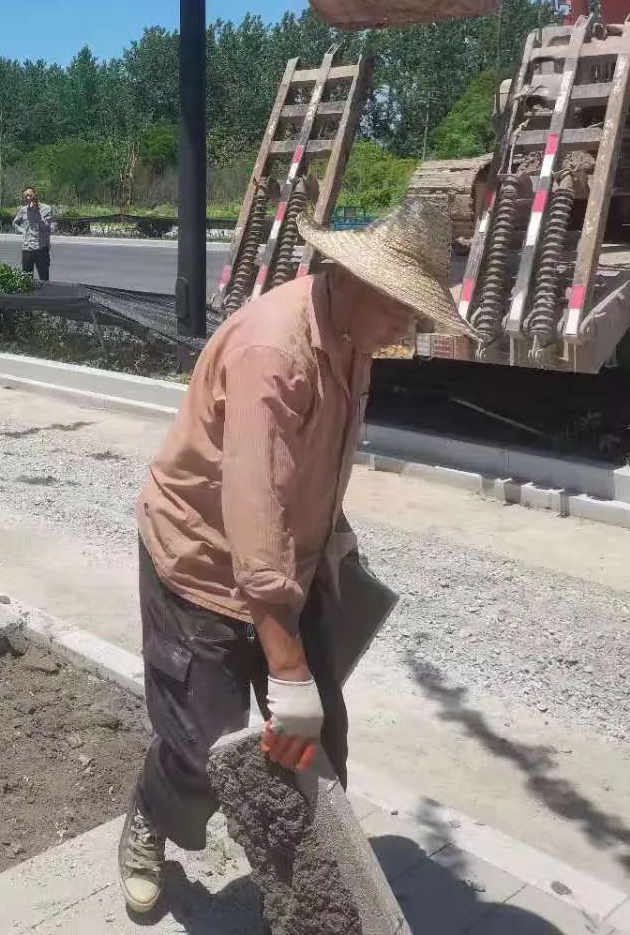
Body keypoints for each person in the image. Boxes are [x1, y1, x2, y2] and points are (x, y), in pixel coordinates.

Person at [118, 198, 473, 915]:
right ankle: (149, 818)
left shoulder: (354, 337)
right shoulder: (272, 351)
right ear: (354, 281)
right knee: (205, 746)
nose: (410, 327)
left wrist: (332, 536)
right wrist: (287, 673)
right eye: (404, 309)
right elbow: (251, 518)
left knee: (317, 742)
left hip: (287, 560)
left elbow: (314, 462)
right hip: (202, 563)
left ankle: (317, 891)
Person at [13, 187, 55, 282]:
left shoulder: (46, 209)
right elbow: (15, 223)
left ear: (35, 195)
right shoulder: (23, 210)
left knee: (44, 279)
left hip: (41, 248)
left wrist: (37, 213)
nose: (28, 198)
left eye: (30, 195)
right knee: (26, 279)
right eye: (25, 196)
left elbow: (46, 228)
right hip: (27, 249)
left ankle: (45, 296)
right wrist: (22, 230)